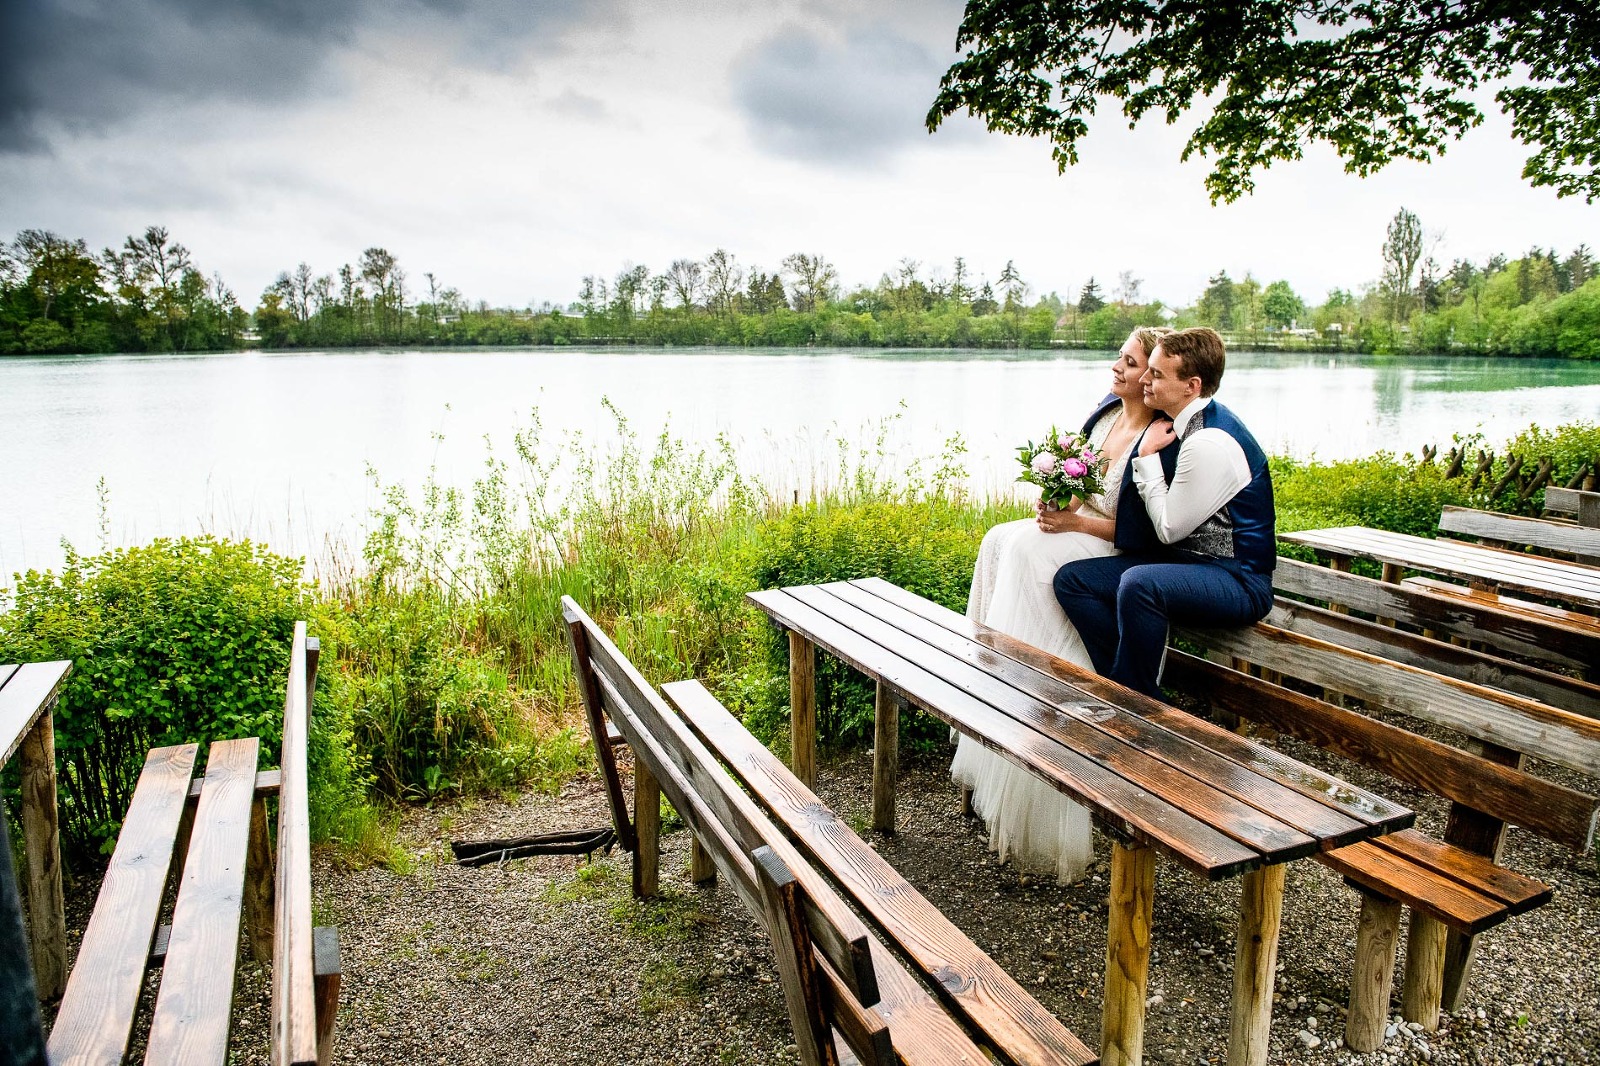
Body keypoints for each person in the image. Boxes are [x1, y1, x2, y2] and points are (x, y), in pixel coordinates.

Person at [952, 326, 1166, 884]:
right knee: (1001, 536)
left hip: (1109, 544)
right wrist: (1054, 500)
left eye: (1131, 361)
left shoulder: (1160, 434)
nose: (1117, 367)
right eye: (1119, 357)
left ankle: (1041, 681)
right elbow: (1078, 484)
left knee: (1025, 549)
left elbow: (1140, 532)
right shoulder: (1104, 419)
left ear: (1153, 374)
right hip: (1079, 527)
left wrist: (1070, 522)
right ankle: (994, 672)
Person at [1052, 326, 1276, 699]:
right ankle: (1133, 694)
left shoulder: (1209, 441)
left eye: (1156, 374)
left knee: (1141, 584)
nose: (1146, 380)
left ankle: (1129, 700)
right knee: (1074, 581)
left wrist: (1146, 458)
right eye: (1148, 369)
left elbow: (1169, 528)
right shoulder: (1182, 425)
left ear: (1191, 386)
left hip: (1238, 579)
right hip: (1189, 566)